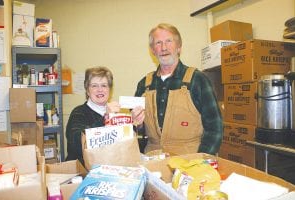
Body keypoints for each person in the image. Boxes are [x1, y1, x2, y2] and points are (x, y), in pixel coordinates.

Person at [131, 23, 223, 156]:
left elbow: (215, 128)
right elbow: (138, 131)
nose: (163, 47)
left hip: (190, 161)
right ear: (152, 50)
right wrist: (137, 124)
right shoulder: (144, 85)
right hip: (153, 162)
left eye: (169, 41)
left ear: (179, 47)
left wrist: (201, 161)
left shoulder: (197, 80)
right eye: (158, 43)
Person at [65, 66, 120, 164]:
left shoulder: (115, 114)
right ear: (87, 90)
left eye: (104, 85)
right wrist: (106, 119)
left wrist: (136, 124)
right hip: (82, 172)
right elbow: (76, 142)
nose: (100, 90)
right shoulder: (78, 112)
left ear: (109, 90)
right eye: (94, 86)